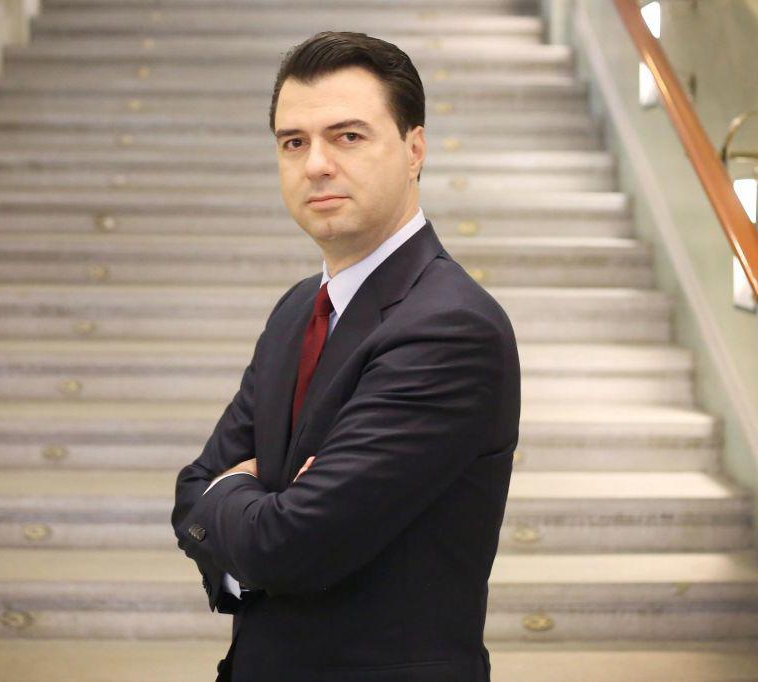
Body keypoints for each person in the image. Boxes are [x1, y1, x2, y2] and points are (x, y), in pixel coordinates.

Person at [171, 30, 520, 682]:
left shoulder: (450, 328)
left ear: (414, 149)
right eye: (293, 142)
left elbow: (288, 544)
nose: (316, 165)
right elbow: (191, 490)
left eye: (348, 136)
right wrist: (252, 506)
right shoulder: (296, 311)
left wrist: (236, 502)